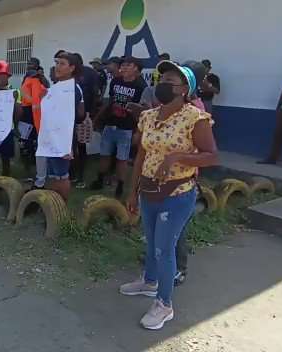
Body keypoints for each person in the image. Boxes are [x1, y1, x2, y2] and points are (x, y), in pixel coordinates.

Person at [120, 60, 218, 330]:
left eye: (170, 81)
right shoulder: (149, 116)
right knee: (151, 242)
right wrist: (133, 189)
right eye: (161, 79)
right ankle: (149, 283)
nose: (163, 84)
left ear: (185, 89)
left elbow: (211, 156)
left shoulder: (195, 118)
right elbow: (141, 154)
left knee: (165, 249)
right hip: (149, 190)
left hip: (177, 193)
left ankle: (164, 305)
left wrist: (177, 157)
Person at [90, 56, 146, 198]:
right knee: (104, 154)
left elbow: (143, 112)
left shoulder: (141, 86)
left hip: (127, 128)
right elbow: (110, 102)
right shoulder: (115, 81)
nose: (124, 67)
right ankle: (100, 179)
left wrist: (137, 131)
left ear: (137, 69)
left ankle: (120, 185)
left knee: (122, 158)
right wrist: (98, 119)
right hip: (110, 124)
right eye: (123, 65)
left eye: (129, 65)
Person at [43, 52, 85, 201]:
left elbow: (77, 114)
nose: (57, 67)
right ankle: (53, 206)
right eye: (57, 63)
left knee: (61, 175)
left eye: (62, 64)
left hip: (62, 138)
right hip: (50, 136)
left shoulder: (73, 89)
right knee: (53, 174)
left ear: (72, 68)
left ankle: (61, 209)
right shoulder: (56, 87)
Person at [71, 53, 100, 189]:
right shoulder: (70, 74)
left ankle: (81, 176)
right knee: (70, 146)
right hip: (69, 115)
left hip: (84, 114)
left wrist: (92, 114)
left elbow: (95, 94)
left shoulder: (90, 73)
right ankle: (71, 174)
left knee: (81, 146)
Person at [20, 57, 47, 181]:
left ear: (37, 65)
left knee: (37, 143)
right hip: (26, 115)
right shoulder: (26, 77)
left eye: (31, 64)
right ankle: (27, 171)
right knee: (25, 142)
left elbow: (46, 92)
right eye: (28, 63)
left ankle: (38, 171)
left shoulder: (41, 78)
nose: (29, 65)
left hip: (36, 114)